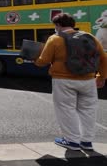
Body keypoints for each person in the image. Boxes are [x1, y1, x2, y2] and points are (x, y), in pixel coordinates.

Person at [34, 13, 107, 151]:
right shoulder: (89, 37)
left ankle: (72, 141)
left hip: (63, 80)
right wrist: (101, 76)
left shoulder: (55, 38)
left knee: (66, 110)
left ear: (58, 25)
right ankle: (87, 141)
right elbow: (103, 58)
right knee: (88, 110)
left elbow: (43, 60)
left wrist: (35, 60)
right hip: (88, 80)